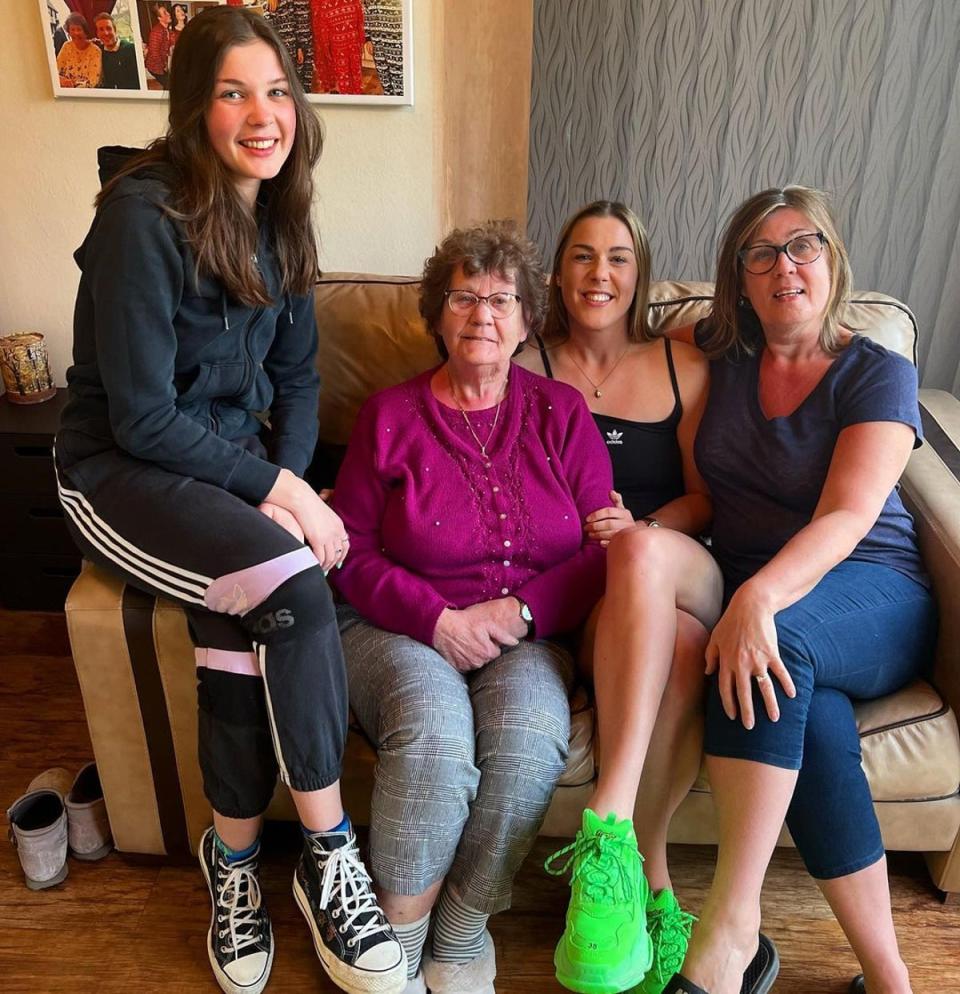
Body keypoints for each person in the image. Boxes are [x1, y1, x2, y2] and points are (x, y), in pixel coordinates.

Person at [54, 8, 405, 994]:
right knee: (290, 589)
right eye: (232, 92)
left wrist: (281, 485)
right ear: (192, 106)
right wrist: (284, 493)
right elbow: (140, 418)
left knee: (245, 608)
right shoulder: (140, 217)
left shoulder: (283, 215)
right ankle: (330, 852)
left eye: (276, 91)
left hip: (215, 465)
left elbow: (296, 383)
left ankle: (238, 860)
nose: (263, 114)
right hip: (115, 470)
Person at [664, 186, 936, 994]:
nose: (784, 265)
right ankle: (889, 978)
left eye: (803, 245)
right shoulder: (717, 360)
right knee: (807, 714)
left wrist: (757, 600)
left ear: (832, 259)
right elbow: (618, 359)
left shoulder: (876, 371)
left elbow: (853, 516)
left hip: (876, 591)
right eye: (761, 253)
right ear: (739, 279)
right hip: (782, 611)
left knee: (771, 647)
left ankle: (729, 934)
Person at [331, 221, 615, 994]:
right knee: (434, 734)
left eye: (501, 298)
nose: (482, 313)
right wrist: (438, 622)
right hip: (396, 625)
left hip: (529, 634)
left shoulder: (561, 412)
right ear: (437, 313)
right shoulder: (388, 416)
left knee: (528, 742)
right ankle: (397, 940)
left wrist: (519, 614)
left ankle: (459, 931)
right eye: (463, 296)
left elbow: (604, 547)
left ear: (527, 320)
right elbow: (348, 547)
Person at [515, 200, 722, 994]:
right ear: (556, 272)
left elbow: (705, 500)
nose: (600, 273)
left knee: (642, 557)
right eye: (581, 256)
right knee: (676, 650)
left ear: (640, 274)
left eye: (619, 258)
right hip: (589, 587)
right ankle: (650, 876)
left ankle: (604, 825)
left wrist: (639, 527)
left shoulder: (683, 366)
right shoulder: (524, 361)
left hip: (678, 557)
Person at [94, 13, 139, 90]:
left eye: (108, 28)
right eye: (101, 29)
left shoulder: (131, 50)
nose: (106, 33)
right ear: (97, 34)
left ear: (115, 30)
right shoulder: (98, 52)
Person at [56, 13, 102, 88]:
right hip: (65, 93)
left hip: (85, 95)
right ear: (69, 32)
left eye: (79, 29)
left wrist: (73, 86)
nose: (76, 33)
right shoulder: (66, 46)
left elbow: (93, 81)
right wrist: (62, 81)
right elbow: (55, 72)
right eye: (72, 29)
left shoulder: (95, 51)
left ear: (85, 31)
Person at [144, 2, 173, 89]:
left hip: (163, 65)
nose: (168, 14)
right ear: (159, 18)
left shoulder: (166, 30)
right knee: (170, 86)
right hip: (155, 67)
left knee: (169, 85)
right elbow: (154, 52)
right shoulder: (157, 31)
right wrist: (163, 67)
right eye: (165, 13)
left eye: (167, 11)